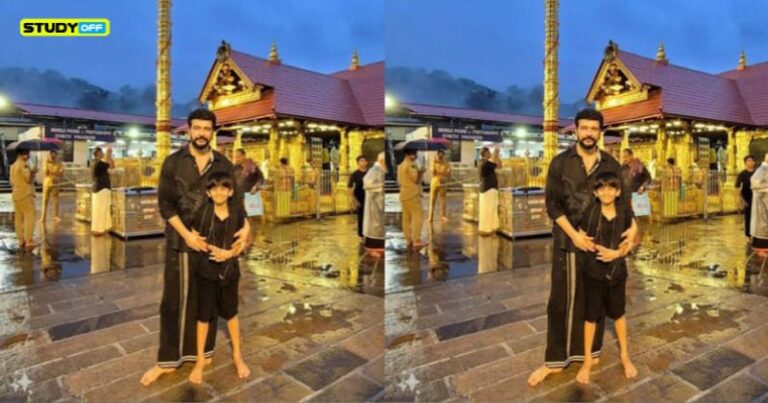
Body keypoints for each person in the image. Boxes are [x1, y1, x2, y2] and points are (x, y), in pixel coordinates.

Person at [528, 108, 637, 386]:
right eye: (584, 128)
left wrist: (634, 226)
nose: (589, 133)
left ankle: (589, 354)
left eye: (594, 128)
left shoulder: (611, 164)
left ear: (600, 131)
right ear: (575, 129)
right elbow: (552, 204)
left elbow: (624, 202)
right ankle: (555, 361)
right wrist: (574, 234)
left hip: (602, 246)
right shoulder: (561, 163)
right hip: (568, 242)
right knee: (561, 301)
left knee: (593, 303)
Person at [141, 108, 249, 386]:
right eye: (197, 128)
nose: (202, 133)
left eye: (207, 128)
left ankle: (202, 354)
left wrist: (247, 226)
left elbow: (237, 203)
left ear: (213, 131)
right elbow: (165, 204)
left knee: (205, 304)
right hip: (181, 242)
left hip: (214, 246)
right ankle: (168, 361)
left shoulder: (223, 164)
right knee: (173, 301)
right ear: (188, 129)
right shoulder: (174, 163)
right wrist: (187, 234)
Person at [575, 171, 637, 384]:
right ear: (596, 192)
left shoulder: (625, 214)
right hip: (593, 272)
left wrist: (617, 253)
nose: (607, 192)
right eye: (602, 188)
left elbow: (631, 241)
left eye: (611, 188)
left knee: (619, 314)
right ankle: (586, 361)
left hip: (617, 272)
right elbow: (580, 234)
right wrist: (584, 240)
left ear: (618, 191)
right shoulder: (589, 213)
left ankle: (625, 355)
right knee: (590, 316)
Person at [188, 172, 250, 384]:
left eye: (224, 188)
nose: (219, 192)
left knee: (231, 314)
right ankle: (199, 361)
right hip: (206, 271)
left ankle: (237, 355)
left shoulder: (238, 214)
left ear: (230, 191)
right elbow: (193, 235)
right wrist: (198, 241)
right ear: (208, 192)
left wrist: (229, 253)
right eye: (214, 188)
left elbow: (243, 242)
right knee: (203, 316)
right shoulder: (202, 214)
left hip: (230, 271)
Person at [10, 148, 38, 249]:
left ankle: (21, 239)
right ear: (23, 154)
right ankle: (28, 239)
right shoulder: (24, 165)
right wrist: (33, 172)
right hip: (25, 194)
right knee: (30, 215)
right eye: (27, 153)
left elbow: (12, 181)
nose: (28, 156)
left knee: (18, 218)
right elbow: (28, 180)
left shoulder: (13, 165)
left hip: (16, 194)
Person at [398, 149, 425, 248]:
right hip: (412, 194)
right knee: (417, 216)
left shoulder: (400, 165)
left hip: (404, 193)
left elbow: (399, 181)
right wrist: (421, 173)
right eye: (414, 154)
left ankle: (408, 239)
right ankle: (416, 239)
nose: (415, 155)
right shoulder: (411, 165)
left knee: (406, 217)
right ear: (408, 155)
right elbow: (416, 180)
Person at [363, 152, 386, 253]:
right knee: (374, 225)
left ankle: (378, 245)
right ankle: (373, 247)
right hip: (374, 202)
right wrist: (381, 186)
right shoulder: (375, 169)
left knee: (379, 224)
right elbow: (367, 184)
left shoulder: (380, 169)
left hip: (379, 200)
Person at [90, 147, 114, 235]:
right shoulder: (99, 164)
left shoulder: (94, 163)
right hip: (102, 188)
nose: (103, 153)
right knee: (103, 209)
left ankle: (101, 228)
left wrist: (108, 156)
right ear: (98, 154)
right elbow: (111, 165)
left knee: (99, 209)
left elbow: (109, 165)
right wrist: (109, 154)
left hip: (98, 188)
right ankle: (100, 229)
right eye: (102, 152)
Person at [478, 146, 501, 235]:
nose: (490, 154)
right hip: (489, 189)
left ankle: (491, 228)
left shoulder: (482, 163)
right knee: (489, 209)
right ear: (486, 154)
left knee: (488, 209)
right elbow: (498, 165)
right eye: (489, 153)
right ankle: (487, 229)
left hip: (485, 189)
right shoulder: (486, 164)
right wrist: (496, 154)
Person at [348, 155, 369, 239]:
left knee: (369, 217)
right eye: (361, 161)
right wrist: (354, 200)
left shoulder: (370, 173)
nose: (363, 162)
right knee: (361, 217)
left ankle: (369, 234)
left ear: (367, 162)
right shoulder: (354, 174)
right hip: (359, 198)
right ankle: (361, 235)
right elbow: (349, 187)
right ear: (358, 163)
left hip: (369, 198)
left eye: (364, 161)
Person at [750, 154, 768, 251]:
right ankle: (761, 245)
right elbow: (754, 184)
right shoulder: (762, 169)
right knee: (762, 223)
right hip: (762, 201)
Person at [41, 150, 64, 223]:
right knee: (45, 200)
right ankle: (43, 217)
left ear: (56, 156)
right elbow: (45, 172)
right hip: (47, 183)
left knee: (55, 201)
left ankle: (56, 216)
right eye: (51, 155)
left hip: (56, 183)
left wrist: (54, 174)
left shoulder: (59, 163)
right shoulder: (46, 162)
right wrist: (47, 164)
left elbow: (61, 172)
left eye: (54, 155)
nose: (53, 157)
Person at [736, 155, 756, 238]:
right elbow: (737, 188)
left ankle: (757, 235)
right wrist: (742, 200)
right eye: (748, 161)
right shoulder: (742, 174)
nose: (750, 162)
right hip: (747, 199)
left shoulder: (757, 172)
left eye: (752, 161)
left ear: (754, 162)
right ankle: (748, 235)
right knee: (748, 217)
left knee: (758, 217)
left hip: (757, 198)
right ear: (745, 163)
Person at [429, 150, 451, 223]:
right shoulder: (433, 162)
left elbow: (449, 173)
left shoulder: (446, 163)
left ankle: (443, 216)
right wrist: (435, 163)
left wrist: (445, 172)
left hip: (443, 184)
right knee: (432, 201)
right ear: (437, 155)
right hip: (434, 183)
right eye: (439, 156)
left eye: (441, 156)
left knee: (443, 201)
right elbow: (433, 173)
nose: (440, 157)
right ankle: (430, 217)